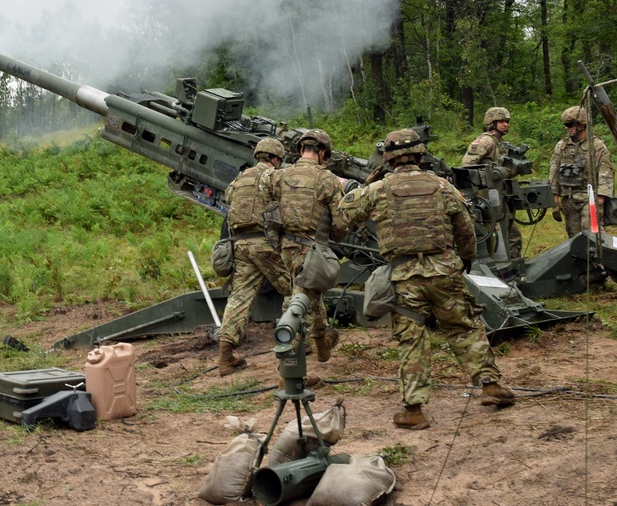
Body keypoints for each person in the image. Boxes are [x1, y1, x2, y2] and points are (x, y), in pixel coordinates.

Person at [339, 128, 514, 430]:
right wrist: (466, 258)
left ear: (388, 159)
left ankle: (414, 409)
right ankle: (490, 385)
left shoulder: (378, 189)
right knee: (464, 327)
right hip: (444, 270)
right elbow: (465, 227)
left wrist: (369, 182)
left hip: (405, 276)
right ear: (421, 156)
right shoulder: (442, 186)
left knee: (412, 340)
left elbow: (345, 214)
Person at [270, 128, 348, 363]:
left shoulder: (281, 175)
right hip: (311, 249)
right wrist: (336, 237)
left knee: (310, 294)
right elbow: (341, 223)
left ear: (301, 149)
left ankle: (322, 343)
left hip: (286, 247)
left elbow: (272, 206)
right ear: (322, 152)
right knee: (298, 304)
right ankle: (288, 366)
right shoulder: (327, 179)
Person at [218, 137, 293, 376]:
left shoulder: (240, 178)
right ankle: (294, 346)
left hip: (240, 245)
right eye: (279, 160)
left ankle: (226, 356)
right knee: (295, 289)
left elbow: (229, 197)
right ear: (274, 158)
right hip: (265, 243)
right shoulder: (271, 176)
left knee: (239, 298)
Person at [462, 106, 522, 260]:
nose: (506, 124)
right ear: (491, 123)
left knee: (513, 235)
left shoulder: (500, 143)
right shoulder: (485, 141)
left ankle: (513, 266)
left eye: (507, 121)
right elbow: (467, 165)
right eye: (501, 121)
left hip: (500, 196)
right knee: (497, 234)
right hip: (487, 197)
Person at [549, 106, 615, 238]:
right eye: (565, 125)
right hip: (569, 200)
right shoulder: (561, 146)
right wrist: (554, 200)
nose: (567, 128)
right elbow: (554, 173)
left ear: (581, 125)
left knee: (592, 237)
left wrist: (599, 203)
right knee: (574, 239)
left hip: (589, 200)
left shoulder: (596, 146)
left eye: (569, 124)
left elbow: (605, 175)